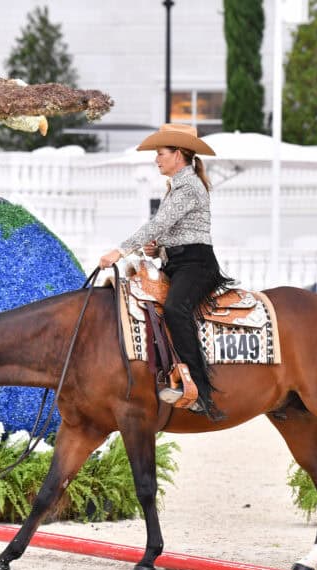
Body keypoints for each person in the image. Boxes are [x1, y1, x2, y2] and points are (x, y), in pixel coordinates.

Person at [99, 124, 232, 421]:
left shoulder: (189, 187)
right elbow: (168, 233)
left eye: (161, 154)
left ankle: (200, 391)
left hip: (197, 266)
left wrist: (120, 251)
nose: (156, 159)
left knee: (175, 309)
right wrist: (156, 250)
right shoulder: (175, 188)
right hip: (176, 264)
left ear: (179, 155)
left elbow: (157, 225)